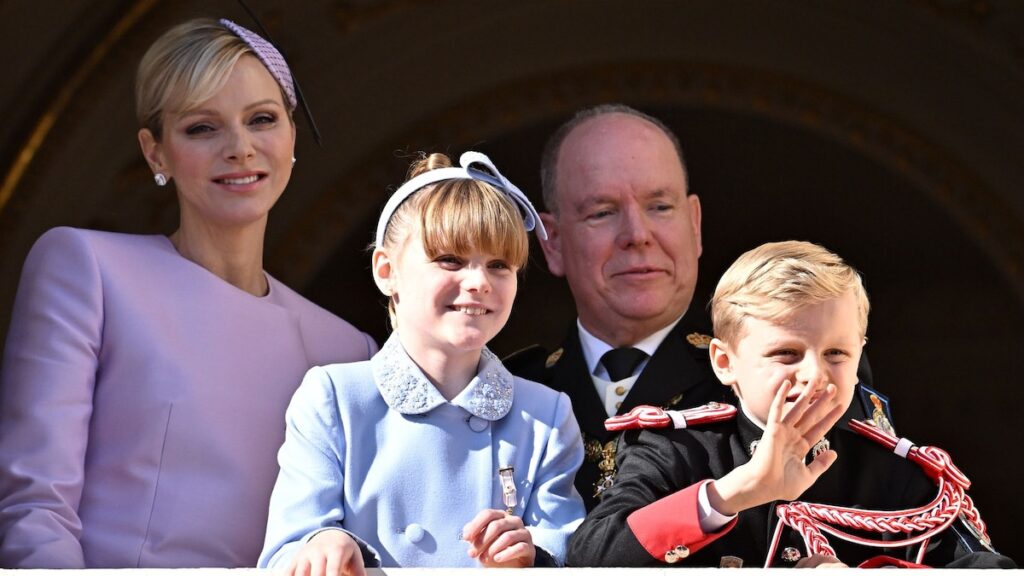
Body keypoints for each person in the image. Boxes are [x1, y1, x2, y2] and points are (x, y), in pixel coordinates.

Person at [0, 19, 376, 568]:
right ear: (156, 153)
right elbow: (34, 506)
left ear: (292, 137)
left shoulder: (349, 351)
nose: (241, 148)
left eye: (262, 120)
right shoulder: (88, 268)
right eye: (203, 128)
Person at [506, 104, 883, 511]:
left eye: (660, 207)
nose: (637, 235)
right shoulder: (514, 389)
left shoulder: (785, 369)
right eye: (603, 212)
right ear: (553, 243)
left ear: (695, 224)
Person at [567, 241, 1014, 568]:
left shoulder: (894, 469)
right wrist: (735, 492)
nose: (815, 375)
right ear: (725, 362)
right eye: (786, 354)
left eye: (836, 354)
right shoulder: (675, 450)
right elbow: (592, 556)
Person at [257, 151, 586, 574]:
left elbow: (566, 553)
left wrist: (529, 559)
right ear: (386, 270)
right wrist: (324, 542)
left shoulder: (546, 417)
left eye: (499, 265)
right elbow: (283, 551)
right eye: (450, 259)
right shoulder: (333, 398)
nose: (479, 282)